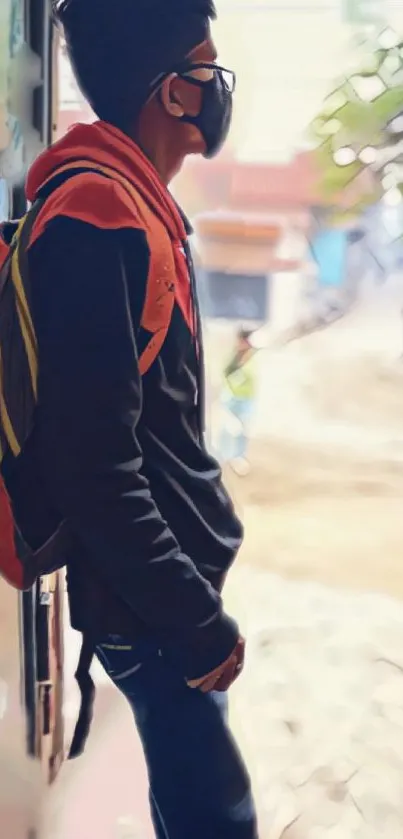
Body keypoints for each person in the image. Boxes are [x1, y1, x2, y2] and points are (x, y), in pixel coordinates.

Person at [6, 1, 258, 837]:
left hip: (161, 591)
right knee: (214, 816)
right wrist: (195, 621)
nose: (218, 88)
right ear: (172, 92)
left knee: (195, 806)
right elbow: (98, 465)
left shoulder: (128, 203)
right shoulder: (95, 219)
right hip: (153, 606)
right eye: (205, 69)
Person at [219, 328, 257, 476]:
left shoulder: (252, 357)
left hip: (245, 399)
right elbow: (225, 372)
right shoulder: (234, 356)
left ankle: (238, 456)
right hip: (231, 398)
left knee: (243, 430)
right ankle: (223, 456)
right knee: (227, 429)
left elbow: (250, 377)